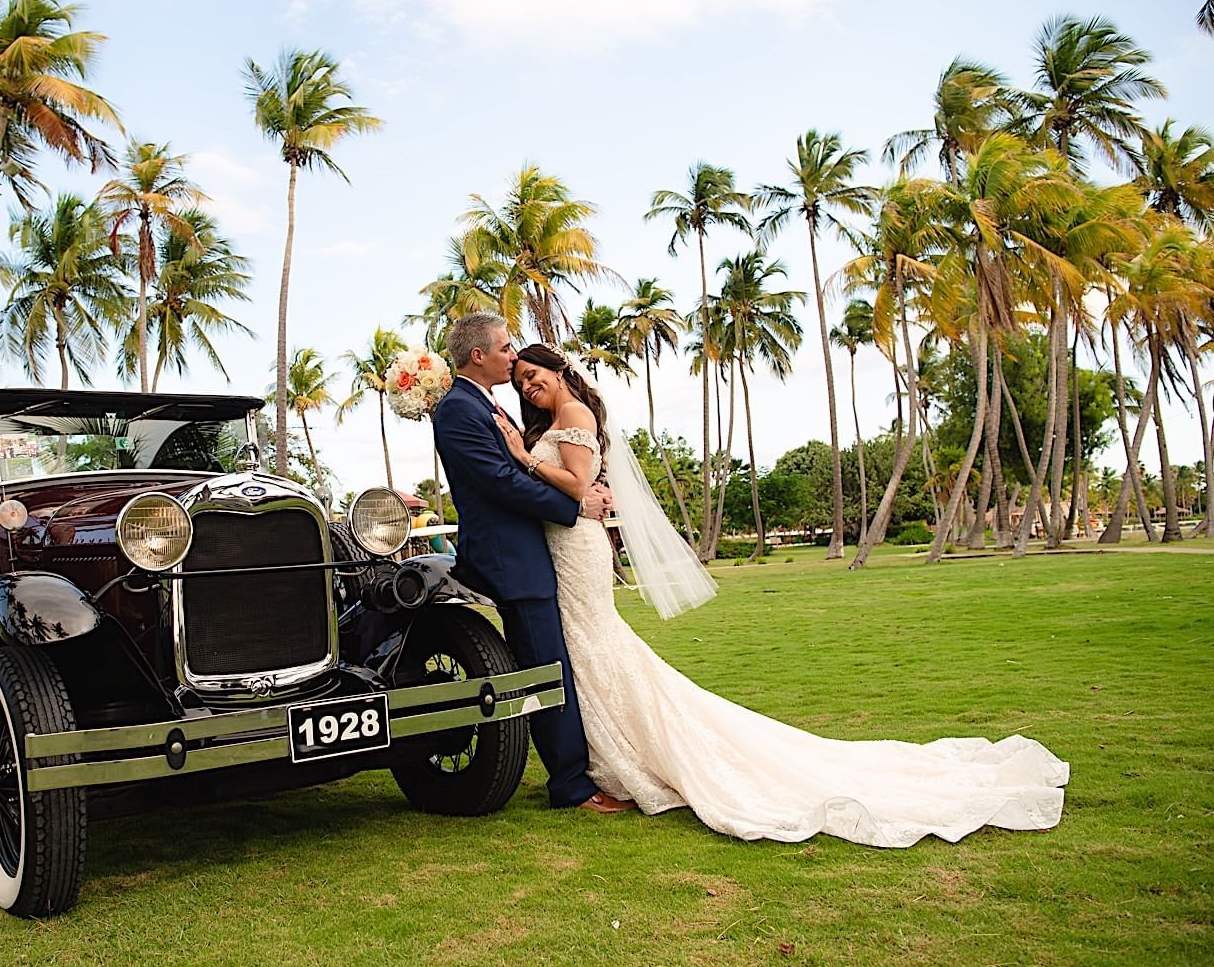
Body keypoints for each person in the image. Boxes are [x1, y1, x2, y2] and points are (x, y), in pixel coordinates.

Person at [493, 342, 1069, 846]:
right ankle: (606, 757)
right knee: (590, 648)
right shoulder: (557, 419)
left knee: (596, 645)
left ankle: (628, 758)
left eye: (532, 375)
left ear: (557, 369)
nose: (528, 387)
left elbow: (574, 483)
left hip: (579, 551)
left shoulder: (573, 415)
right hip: (564, 550)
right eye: (520, 383)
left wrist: (522, 459)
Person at [432, 314, 634, 814]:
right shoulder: (459, 409)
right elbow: (499, 481)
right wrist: (575, 505)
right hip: (510, 559)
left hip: (533, 551)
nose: (512, 356)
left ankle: (579, 770)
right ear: (478, 355)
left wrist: (577, 490)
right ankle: (571, 786)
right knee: (548, 667)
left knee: (554, 662)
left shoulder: (483, 404)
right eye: (505, 349)